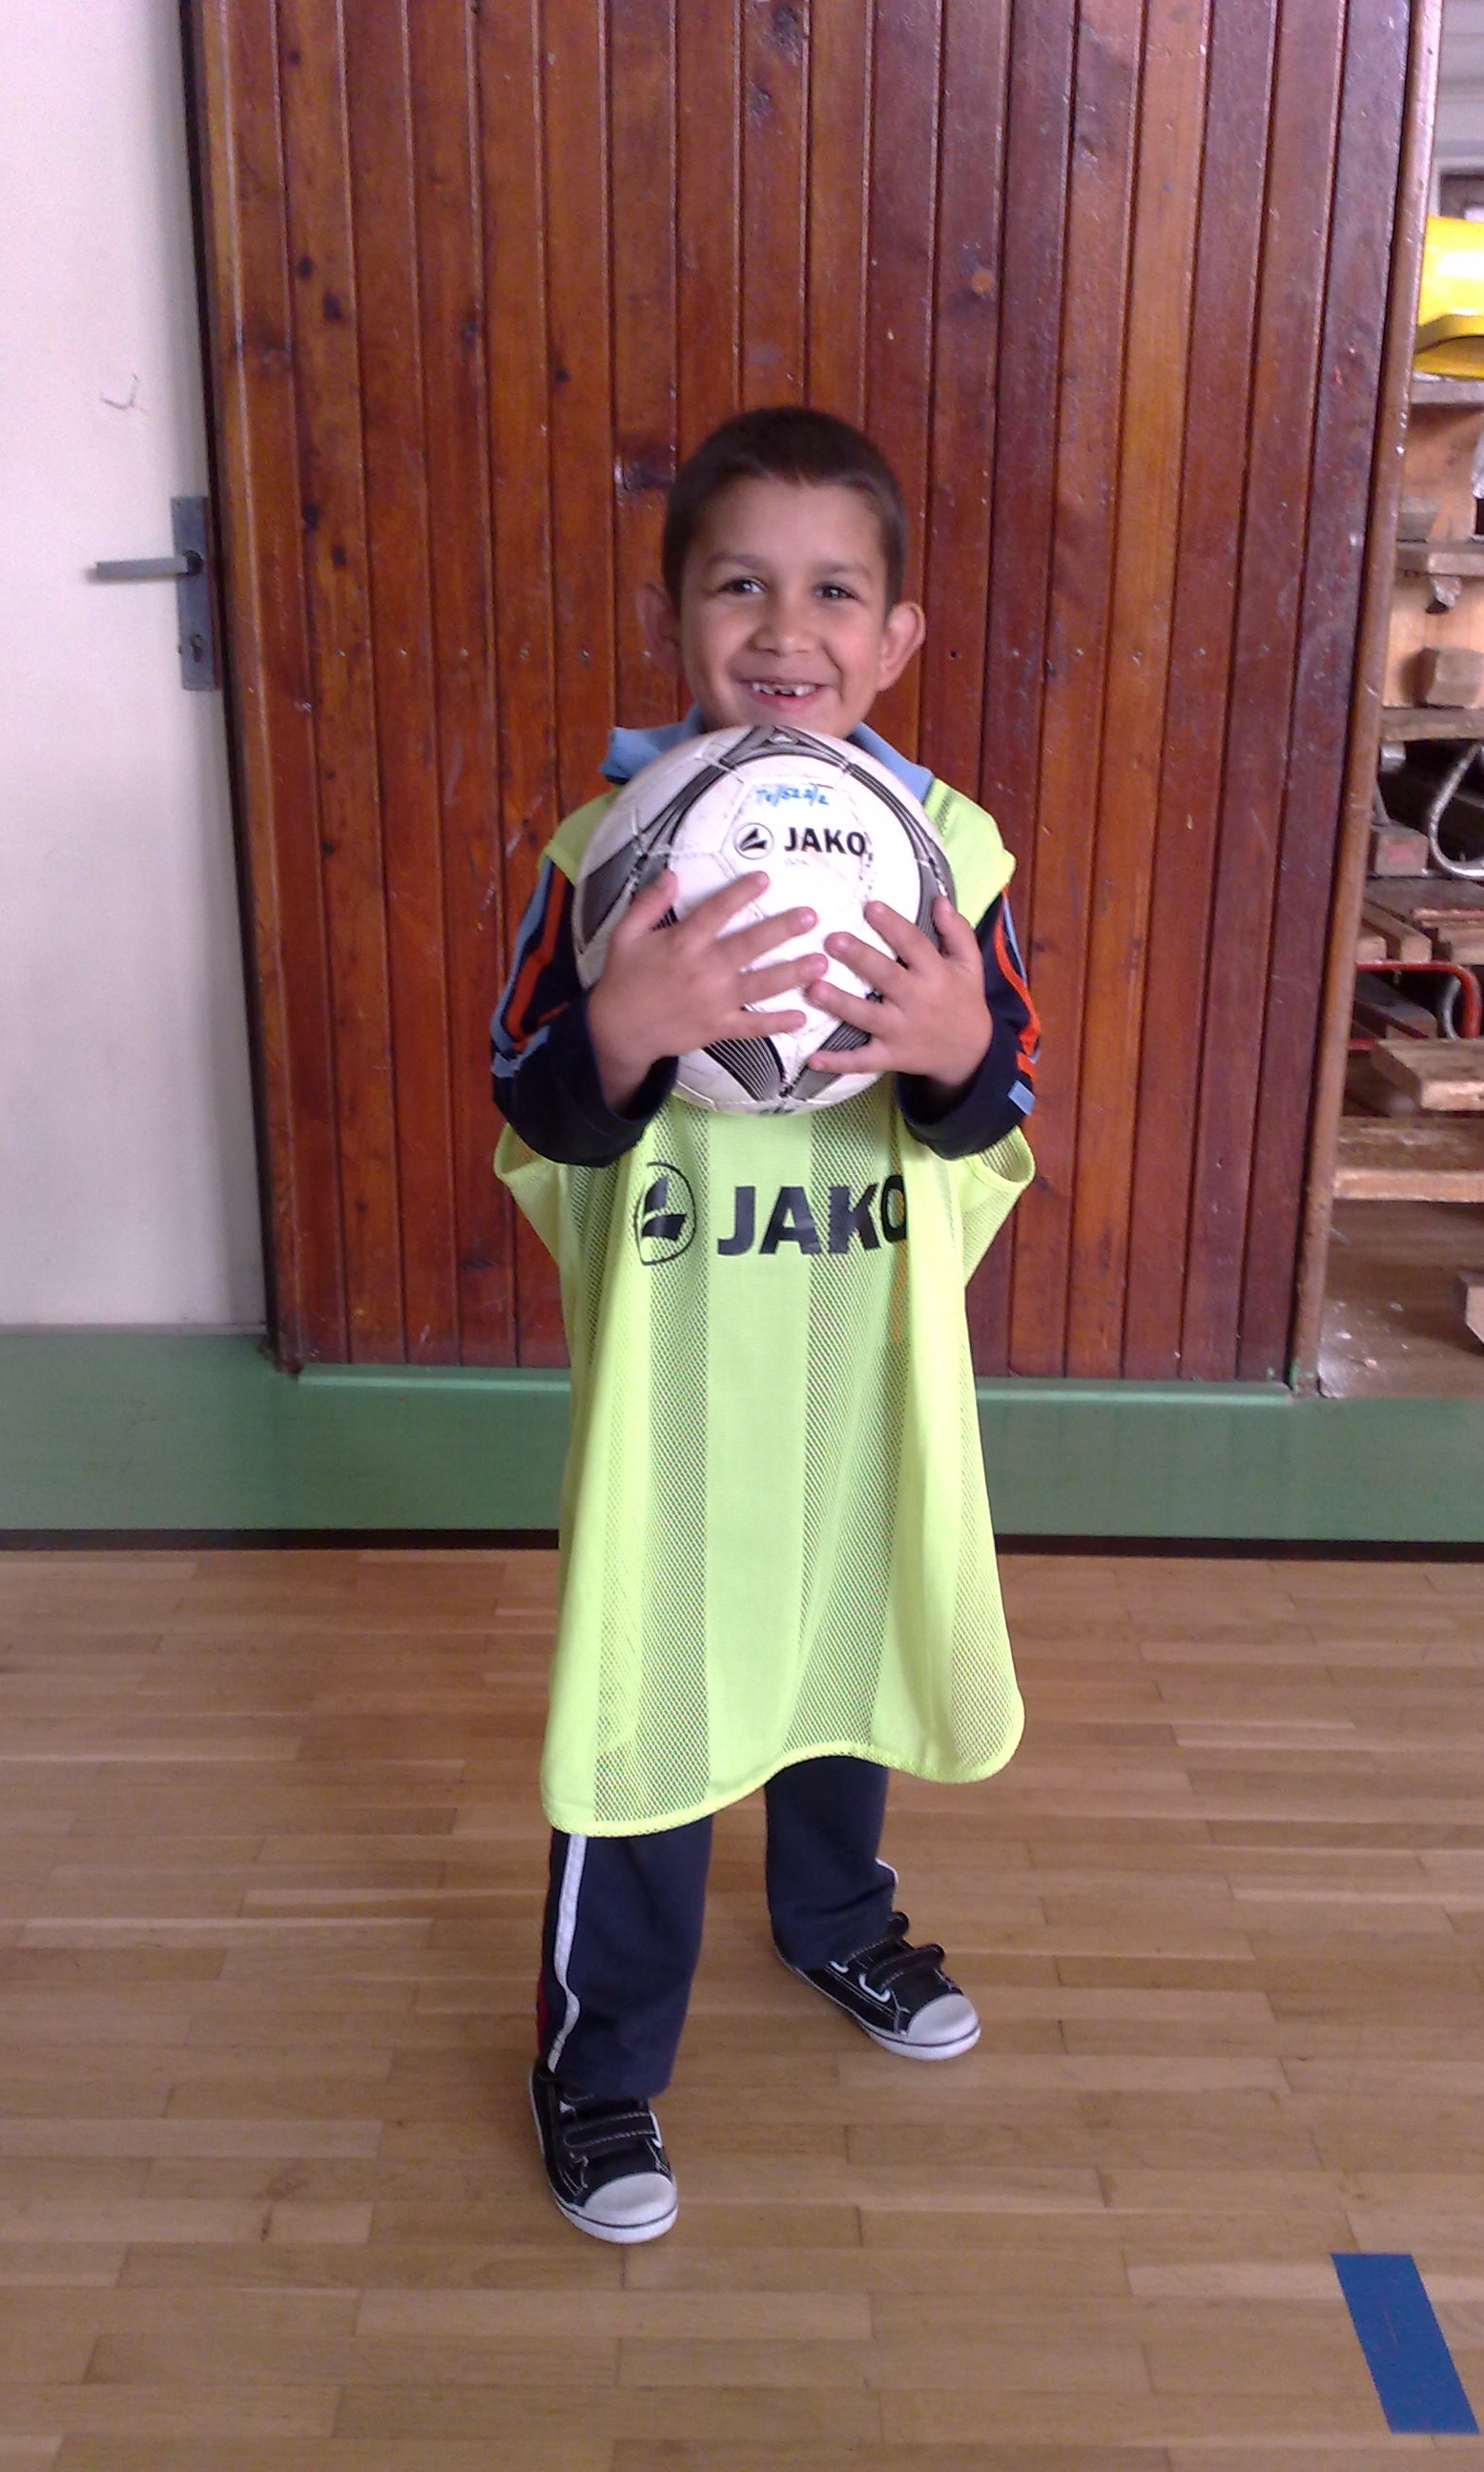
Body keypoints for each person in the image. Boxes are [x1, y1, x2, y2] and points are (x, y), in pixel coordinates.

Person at [490, 406, 1038, 2243]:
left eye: (833, 593)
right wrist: (620, 1036)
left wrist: (957, 1058)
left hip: (853, 1368)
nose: (786, 630)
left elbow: (996, 1108)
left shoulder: (951, 852)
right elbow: (534, 1108)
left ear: (896, 637)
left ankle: (835, 1923)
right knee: (643, 1715)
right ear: (677, 619)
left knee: (838, 1654)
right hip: (681, 1384)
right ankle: (599, 2068)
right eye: (741, 586)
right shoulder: (605, 853)